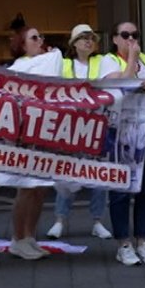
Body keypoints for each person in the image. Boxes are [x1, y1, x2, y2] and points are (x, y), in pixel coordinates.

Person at [95, 22, 145, 266]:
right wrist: (132, 61)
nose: (130, 39)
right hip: (121, 133)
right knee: (120, 189)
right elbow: (121, 84)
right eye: (125, 35)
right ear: (115, 39)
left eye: (135, 35)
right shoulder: (108, 61)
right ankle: (123, 243)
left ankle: (142, 241)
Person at [3, 24, 63, 259]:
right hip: (25, 136)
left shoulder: (48, 61)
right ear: (22, 44)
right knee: (26, 188)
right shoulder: (18, 69)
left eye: (41, 36)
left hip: (44, 132)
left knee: (40, 189)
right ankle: (17, 238)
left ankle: (30, 236)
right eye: (34, 38)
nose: (40, 41)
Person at [49, 24, 114, 240]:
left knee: (98, 174)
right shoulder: (64, 65)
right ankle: (60, 220)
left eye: (91, 38)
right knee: (66, 172)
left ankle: (97, 221)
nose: (88, 41)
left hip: (96, 124)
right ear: (74, 43)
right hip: (71, 126)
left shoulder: (102, 61)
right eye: (83, 38)